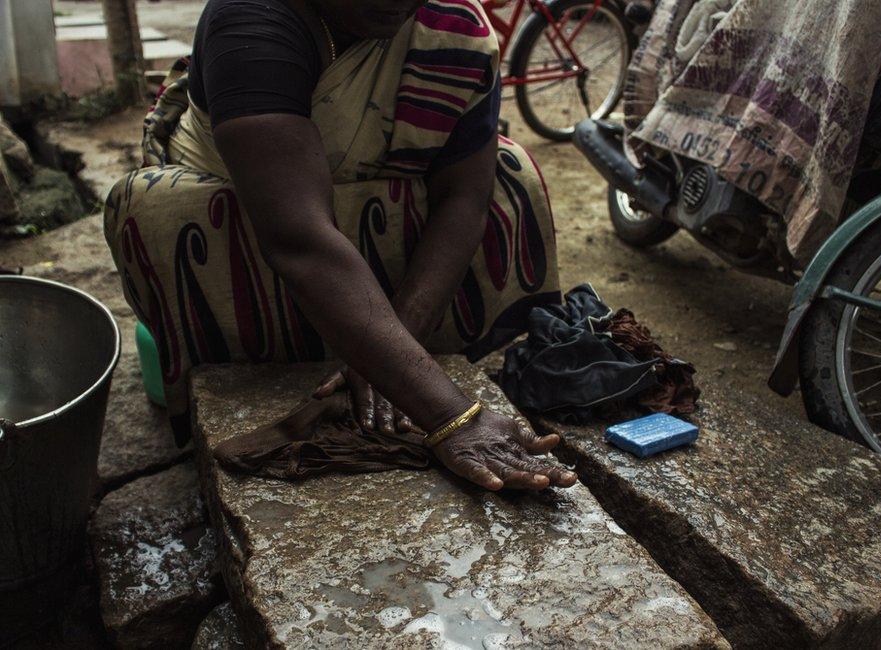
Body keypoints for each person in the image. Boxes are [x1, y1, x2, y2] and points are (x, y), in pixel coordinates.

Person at [103, 0, 577, 491]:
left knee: (508, 175)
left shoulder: (453, 31)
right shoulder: (249, 19)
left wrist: (391, 361)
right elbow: (298, 239)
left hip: (370, 229)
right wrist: (455, 416)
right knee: (158, 211)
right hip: (253, 221)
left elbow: (464, 197)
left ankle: (378, 337)